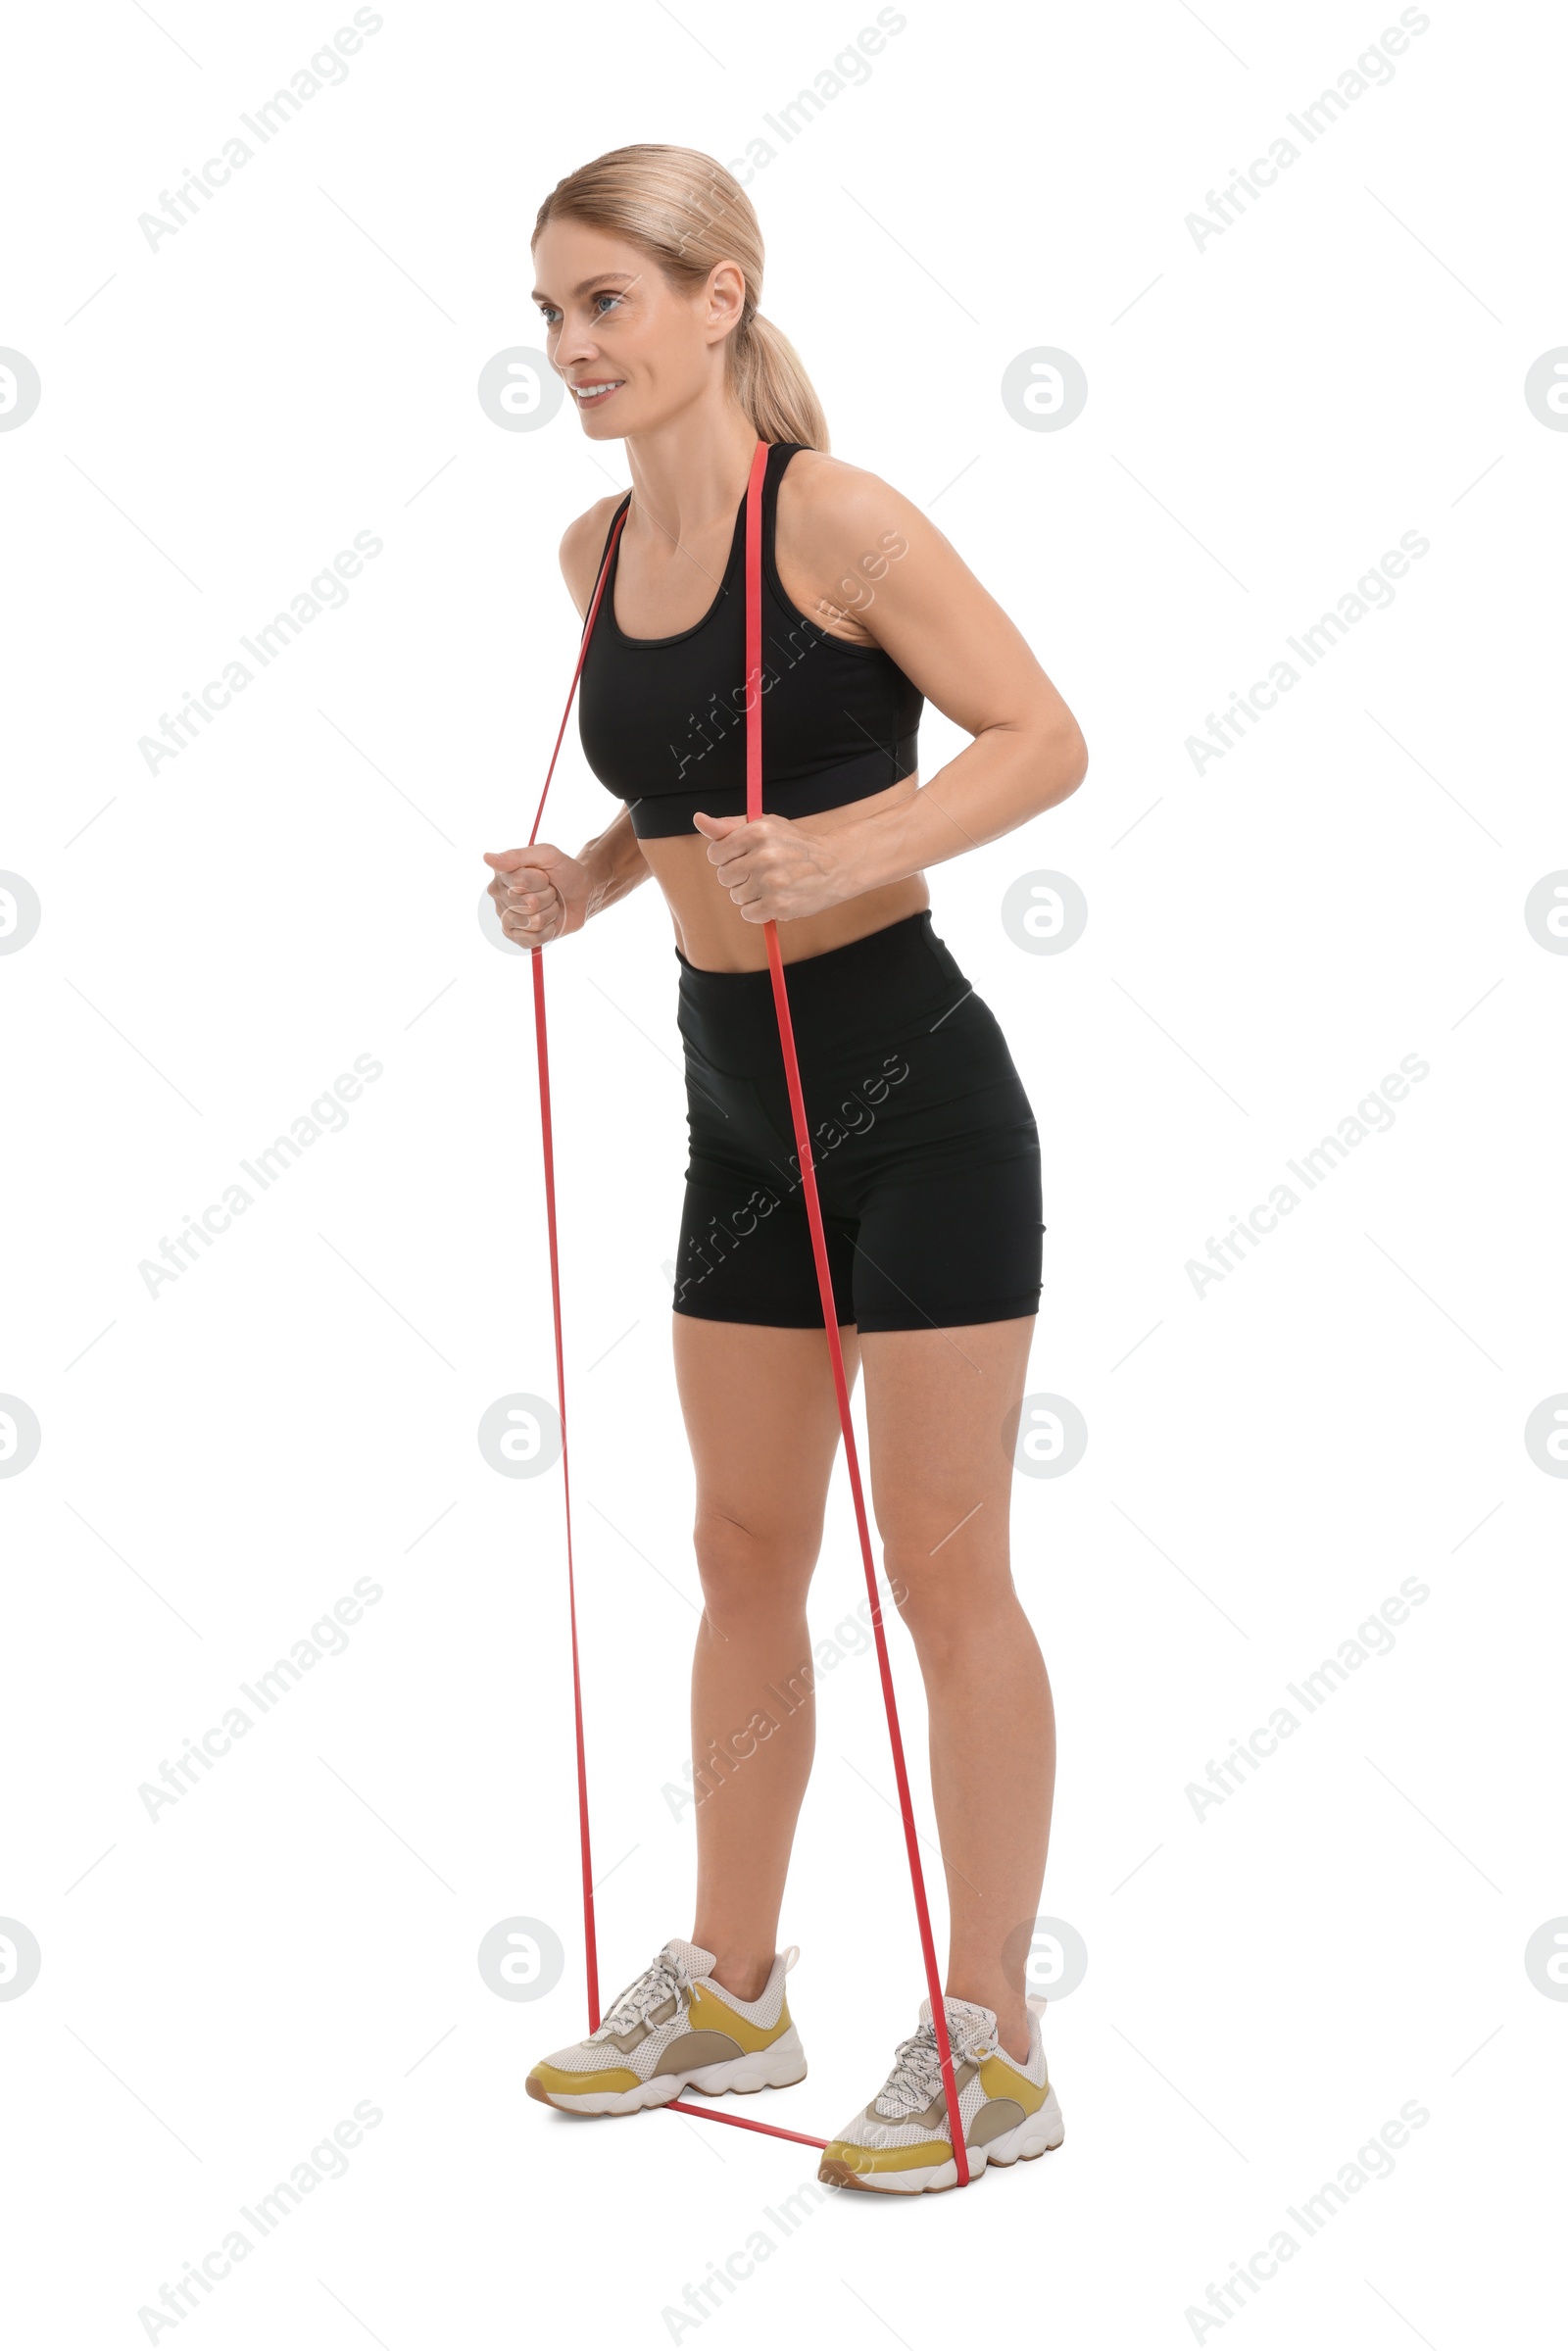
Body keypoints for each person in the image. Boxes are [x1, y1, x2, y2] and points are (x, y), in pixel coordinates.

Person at [487, 144, 1087, 2195]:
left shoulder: (831, 517)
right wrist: (577, 882)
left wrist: (848, 853)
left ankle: (992, 2035)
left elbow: (1036, 736)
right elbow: (666, 805)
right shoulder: (591, 555)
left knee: (939, 1567)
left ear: (718, 299)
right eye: (552, 312)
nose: (569, 346)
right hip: (730, 1103)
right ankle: (733, 1987)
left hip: (913, 1098)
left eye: (607, 304)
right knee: (744, 1552)